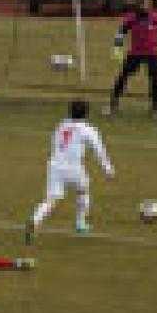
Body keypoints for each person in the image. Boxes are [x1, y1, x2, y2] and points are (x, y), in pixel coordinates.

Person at [26, 100, 114, 243]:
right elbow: (99, 150)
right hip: (73, 167)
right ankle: (80, 224)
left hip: (55, 165)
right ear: (86, 113)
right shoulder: (88, 129)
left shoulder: (62, 125)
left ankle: (35, 220)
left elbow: (54, 142)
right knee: (83, 191)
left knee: (51, 200)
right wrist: (108, 169)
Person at [108, 0, 157, 120]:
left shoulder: (155, 18)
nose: (143, 7)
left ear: (150, 6)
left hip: (152, 53)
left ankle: (155, 108)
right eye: (141, 5)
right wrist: (117, 47)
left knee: (154, 79)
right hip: (135, 53)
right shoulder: (131, 18)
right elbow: (121, 32)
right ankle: (113, 105)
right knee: (123, 76)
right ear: (137, 6)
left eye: (145, 5)